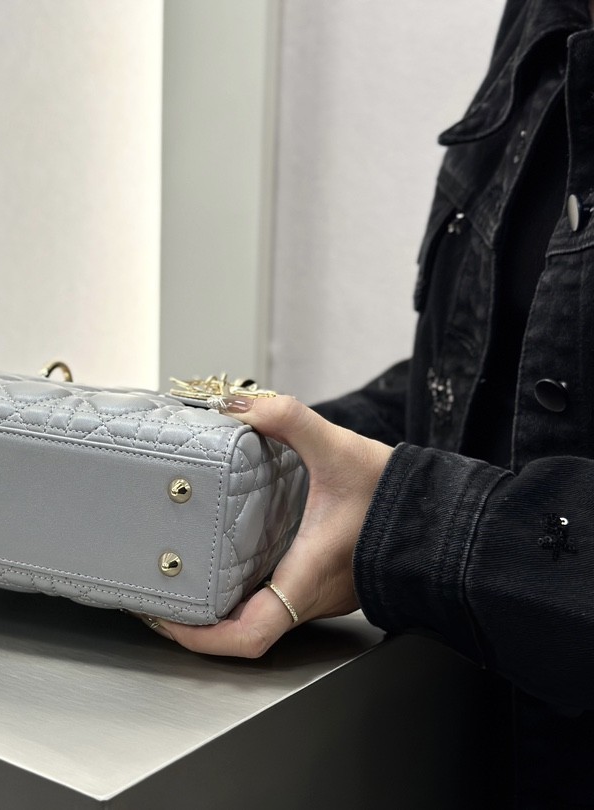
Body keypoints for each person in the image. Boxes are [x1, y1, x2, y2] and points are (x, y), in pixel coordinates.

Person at [147, 1, 594, 806]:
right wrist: (274, 454)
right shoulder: (544, 16)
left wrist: (403, 518)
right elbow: (491, 370)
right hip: (466, 738)